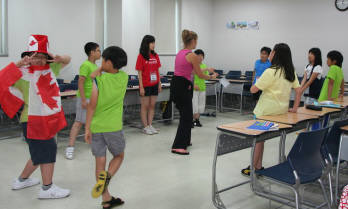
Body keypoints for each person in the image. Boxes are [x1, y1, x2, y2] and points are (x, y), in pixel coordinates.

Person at [0, 35, 71, 198]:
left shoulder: (50, 69)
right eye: (35, 56)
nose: (39, 60)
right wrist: (19, 64)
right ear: (28, 57)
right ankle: (47, 189)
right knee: (47, 150)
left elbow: (68, 60)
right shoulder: (21, 74)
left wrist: (59, 57)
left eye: (42, 56)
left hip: (49, 118)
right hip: (32, 120)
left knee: (38, 153)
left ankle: (22, 180)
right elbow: (1, 79)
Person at [241, 43, 302, 176]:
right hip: (280, 113)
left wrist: (256, 83)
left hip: (264, 112)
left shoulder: (271, 71)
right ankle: (258, 166)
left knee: (258, 141)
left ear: (275, 54)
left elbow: (253, 89)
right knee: (262, 140)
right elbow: (298, 90)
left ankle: (252, 167)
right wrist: (295, 108)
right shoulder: (290, 71)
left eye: (272, 52)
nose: (270, 54)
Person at [85, 46, 128, 209]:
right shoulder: (123, 78)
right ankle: (106, 180)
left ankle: (105, 198)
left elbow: (91, 106)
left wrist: (87, 128)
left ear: (108, 62)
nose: (101, 63)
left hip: (97, 127)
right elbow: (105, 70)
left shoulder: (98, 81)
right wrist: (104, 67)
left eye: (103, 60)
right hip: (113, 127)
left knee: (100, 161)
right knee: (119, 156)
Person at [170, 30, 218, 155]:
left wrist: (206, 70)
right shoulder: (192, 56)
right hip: (183, 86)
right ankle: (178, 146)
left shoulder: (180, 53)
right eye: (196, 40)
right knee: (186, 117)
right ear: (192, 41)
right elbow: (200, 75)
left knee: (186, 115)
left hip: (176, 84)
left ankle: (185, 140)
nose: (197, 42)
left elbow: (191, 71)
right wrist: (212, 77)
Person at [66, 42, 101, 160]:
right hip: (85, 97)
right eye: (97, 50)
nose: (99, 53)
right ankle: (70, 148)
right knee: (79, 122)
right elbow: (80, 82)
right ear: (91, 52)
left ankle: (91, 142)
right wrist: (82, 100)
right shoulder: (85, 65)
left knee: (92, 122)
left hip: (93, 98)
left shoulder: (96, 66)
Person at [136, 35, 162, 135]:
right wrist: (141, 86)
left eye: (154, 43)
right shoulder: (141, 56)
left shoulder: (155, 55)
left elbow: (157, 70)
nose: (153, 45)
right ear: (146, 44)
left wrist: (159, 83)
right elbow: (139, 72)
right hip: (146, 84)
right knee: (145, 106)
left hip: (154, 84)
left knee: (152, 105)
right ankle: (145, 126)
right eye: (152, 43)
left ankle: (150, 125)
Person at [192, 49, 215, 127]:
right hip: (194, 88)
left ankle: (197, 120)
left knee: (200, 106)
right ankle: (191, 120)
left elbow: (206, 77)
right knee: (194, 106)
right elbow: (194, 73)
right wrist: (193, 85)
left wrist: (212, 76)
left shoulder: (204, 65)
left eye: (202, 56)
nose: (200, 58)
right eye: (198, 56)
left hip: (202, 88)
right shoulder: (193, 65)